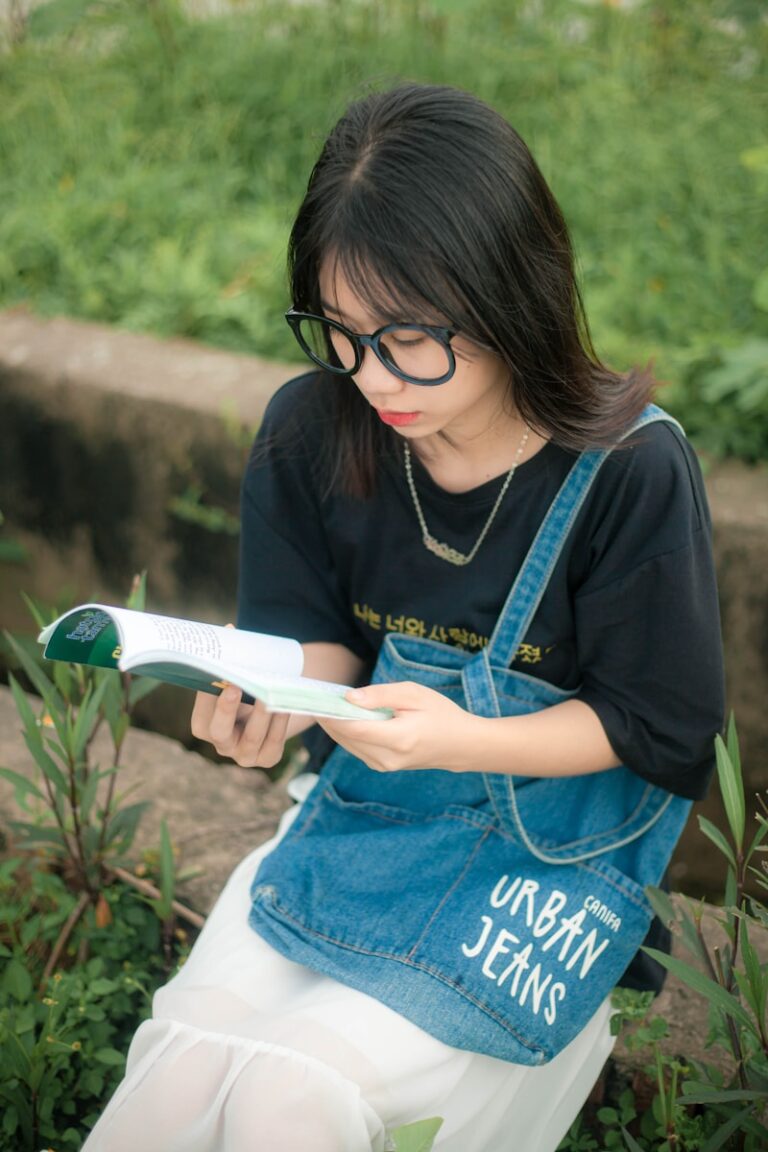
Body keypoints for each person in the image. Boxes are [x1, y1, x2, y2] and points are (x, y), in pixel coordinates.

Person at [82, 83, 724, 1152]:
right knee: (176, 1083)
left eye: (409, 339)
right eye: (338, 333)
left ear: (511, 293)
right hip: (366, 823)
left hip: (545, 877)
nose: (373, 376)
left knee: (294, 1102)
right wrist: (271, 704)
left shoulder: (628, 470)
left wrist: (456, 736)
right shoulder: (313, 427)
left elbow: (661, 729)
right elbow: (315, 637)